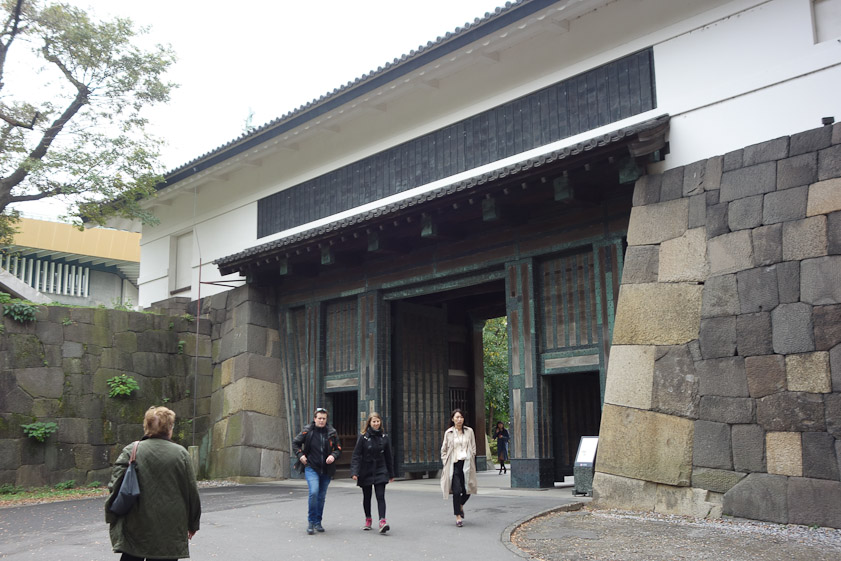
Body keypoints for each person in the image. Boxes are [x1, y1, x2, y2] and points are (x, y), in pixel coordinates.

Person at [105, 406, 201, 561]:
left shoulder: (131, 450)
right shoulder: (181, 454)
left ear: (146, 426)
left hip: (135, 523)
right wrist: (193, 523)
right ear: (169, 428)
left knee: (132, 554)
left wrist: (112, 514)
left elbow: (115, 486)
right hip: (169, 526)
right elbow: (191, 492)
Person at [292, 407, 342, 535]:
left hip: (326, 469)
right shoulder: (307, 431)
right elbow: (295, 443)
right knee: (314, 492)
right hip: (311, 467)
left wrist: (333, 456)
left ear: (326, 420)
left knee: (321, 496)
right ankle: (311, 521)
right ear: (315, 419)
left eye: (323, 419)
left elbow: (338, 449)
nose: (321, 421)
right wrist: (300, 455)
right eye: (319, 418)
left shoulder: (332, 432)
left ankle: (318, 521)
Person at [350, 412, 395, 534]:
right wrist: (354, 471)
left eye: (378, 421)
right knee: (367, 496)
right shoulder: (363, 437)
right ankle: (368, 519)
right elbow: (357, 455)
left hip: (380, 469)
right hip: (366, 470)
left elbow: (388, 456)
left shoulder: (384, 437)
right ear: (369, 423)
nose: (376, 423)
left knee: (380, 496)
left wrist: (391, 473)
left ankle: (382, 521)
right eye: (373, 421)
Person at [440, 408, 477, 527]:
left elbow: (473, 447)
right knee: (456, 491)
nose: (459, 419)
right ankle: (458, 516)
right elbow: (444, 450)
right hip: (454, 464)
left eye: (461, 417)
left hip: (466, 464)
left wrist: (471, 457)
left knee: (468, 490)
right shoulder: (449, 433)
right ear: (452, 419)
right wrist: (445, 461)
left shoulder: (469, 431)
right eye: (457, 417)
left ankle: (460, 505)